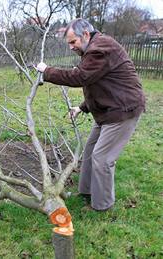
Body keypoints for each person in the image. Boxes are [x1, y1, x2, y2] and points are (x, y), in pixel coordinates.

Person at [36, 18, 146, 211]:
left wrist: (47, 71)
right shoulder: (94, 47)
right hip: (108, 109)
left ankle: (102, 205)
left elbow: (80, 76)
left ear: (85, 34)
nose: (71, 47)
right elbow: (102, 85)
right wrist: (82, 107)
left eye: (73, 42)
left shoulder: (99, 49)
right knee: (90, 152)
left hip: (122, 111)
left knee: (102, 158)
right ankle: (86, 192)